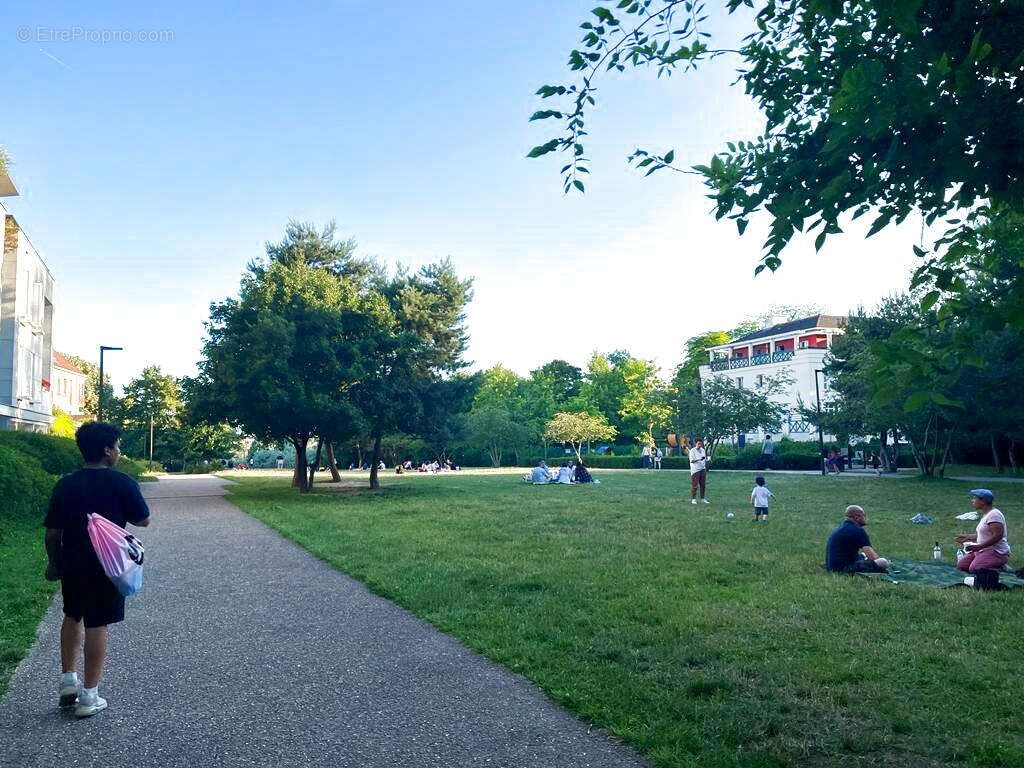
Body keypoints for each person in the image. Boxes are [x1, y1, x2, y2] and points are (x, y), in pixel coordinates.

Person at [42, 422, 152, 718]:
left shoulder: (66, 484)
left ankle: (68, 680)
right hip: (109, 564)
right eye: (117, 446)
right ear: (107, 451)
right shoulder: (122, 483)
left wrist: (54, 563)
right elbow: (143, 520)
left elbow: (52, 532)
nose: (119, 450)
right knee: (97, 623)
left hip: (73, 561)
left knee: (72, 613)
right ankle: (89, 696)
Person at [956, 489, 1011, 585]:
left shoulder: (995, 515)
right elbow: (984, 535)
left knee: (974, 568)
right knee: (962, 565)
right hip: (983, 550)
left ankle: (1000, 565)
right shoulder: (986, 514)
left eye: (975, 498)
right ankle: (988, 562)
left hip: (996, 552)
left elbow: (998, 536)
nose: (972, 500)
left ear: (983, 501)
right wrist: (968, 537)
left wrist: (978, 547)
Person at [825, 505, 889, 573]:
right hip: (843, 569)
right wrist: (884, 562)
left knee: (863, 555)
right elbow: (872, 557)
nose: (866, 518)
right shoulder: (858, 530)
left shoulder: (839, 528)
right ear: (857, 517)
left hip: (832, 567)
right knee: (883, 562)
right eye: (864, 515)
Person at [688, 438, 710, 505]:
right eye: (698, 444)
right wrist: (699, 459)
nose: (700, 445)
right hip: (695, 470)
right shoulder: (692, 451)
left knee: (703, 485)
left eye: (701, 444)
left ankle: (702, 499)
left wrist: (708, 460)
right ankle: (693, 499)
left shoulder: (703, 450)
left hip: (703, 469)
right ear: (695, 443)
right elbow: (692, 461)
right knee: (695, 485)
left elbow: (704, 459)